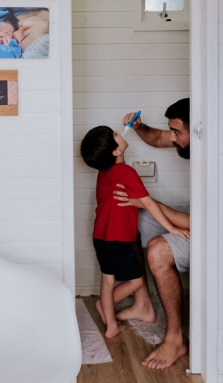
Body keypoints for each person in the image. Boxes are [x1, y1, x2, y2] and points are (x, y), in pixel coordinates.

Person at [80, 126, 189, 339]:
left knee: (107, 279)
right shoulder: (127, 173)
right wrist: (172, 228)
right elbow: (148, 204)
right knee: (137, 281)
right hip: (118, 238)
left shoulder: (104, 173)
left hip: (100, 235)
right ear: (116, 151)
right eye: (116, 134)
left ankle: (111, 325)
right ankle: (106, 304)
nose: (120, 133)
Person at [114, 97, 192, 369]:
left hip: (214, 228)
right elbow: (158, 137)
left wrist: (148, 202)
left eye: (177, 132)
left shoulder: (221, 156)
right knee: (133, 218)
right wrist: (139, 126)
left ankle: (175, 339)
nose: (171, 137)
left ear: (196, 131)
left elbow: (201, 225)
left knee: (159, 249)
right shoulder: (188, 138)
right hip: (197, 217)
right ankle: (144, 303)